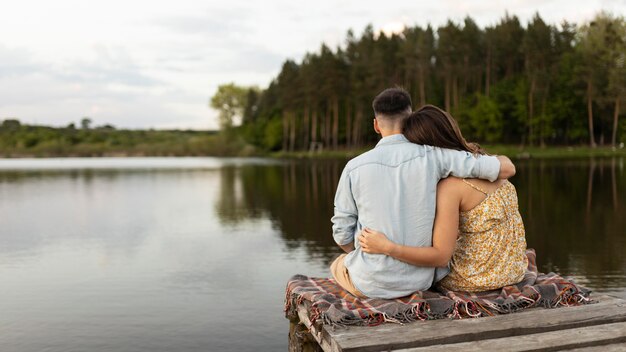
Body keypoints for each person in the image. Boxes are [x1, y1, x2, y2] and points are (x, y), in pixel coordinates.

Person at [330, 88, 516, 299]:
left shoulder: (353, 168)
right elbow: (506, 169)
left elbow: (341, 234)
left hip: (371, 284)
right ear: (410, 119)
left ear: (375, 125)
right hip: (421, 281)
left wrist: (370, 249)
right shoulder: (436, 156)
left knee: (338, 264)